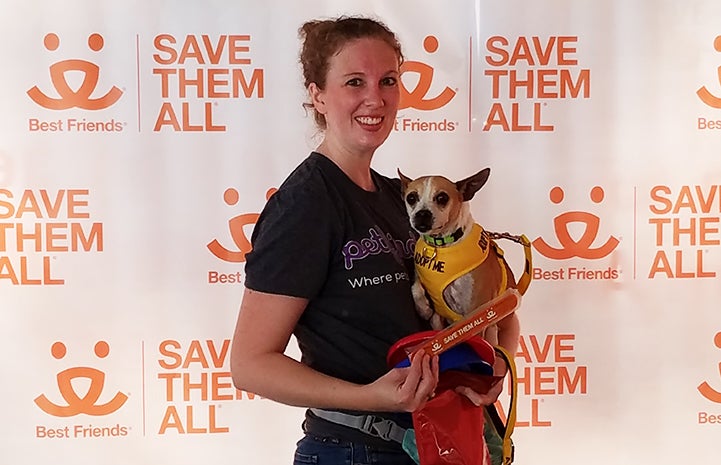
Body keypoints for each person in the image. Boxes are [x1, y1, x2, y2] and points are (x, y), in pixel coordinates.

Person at [230, 15, 519, 465]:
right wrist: (371, 397)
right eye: (354, 82)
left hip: (432, 443)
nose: (374, 98)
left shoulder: (401, 200)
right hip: (353, 450)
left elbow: (499, 302)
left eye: (387, 80)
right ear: (318, 95)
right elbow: (250, 366)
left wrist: (495, 361)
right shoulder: (306, 205)